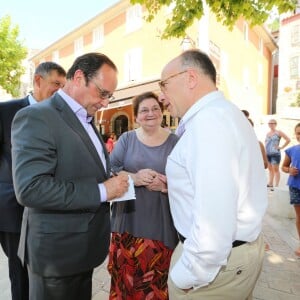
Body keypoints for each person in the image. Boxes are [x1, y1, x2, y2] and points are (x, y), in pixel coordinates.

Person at [11, 52, 130, 300]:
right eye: (103, 93)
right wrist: (103, 190)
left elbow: (83, 168)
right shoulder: (37, 116)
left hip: (83, 252)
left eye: (110, 95)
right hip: (57, 257)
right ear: (78, 77)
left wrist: (116, 180)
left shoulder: (86, 117)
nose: (106, 103)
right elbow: (31, 188)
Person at [158, 49, 268, 299]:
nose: (161, 95)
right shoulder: (223, 114)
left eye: (164, 84)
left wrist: (186, 276)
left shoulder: (209, 124)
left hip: (213, 271)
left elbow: (214, 227)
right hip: (232, 259)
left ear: (191, 78)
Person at [0, 61, 66, 300]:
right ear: (38, 81)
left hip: (51, 212)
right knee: (20, 274)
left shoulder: (61, 116)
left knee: (46, 275)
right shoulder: (5, 111)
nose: (60, 90)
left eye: (64, 85)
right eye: (56, 84)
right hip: (13, 212)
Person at [107, 91, 179, 299]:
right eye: (144, 110)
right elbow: (110, 171)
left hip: (161, 225)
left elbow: (190, 181)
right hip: (127, 222)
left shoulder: (175, 142)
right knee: (125, 282)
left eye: (155, 108)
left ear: (162, 112)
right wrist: (134, 177)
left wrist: (165, 185)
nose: (151, 113)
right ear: (136, 116)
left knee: (154, 285)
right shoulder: (127, 139)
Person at [281, 123, 300, 257]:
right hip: (295, 186)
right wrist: (289, 170)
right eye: (298, 133)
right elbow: (284, 167)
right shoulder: (292, 150)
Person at [265, 119, 290, 188]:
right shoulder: (268, 133)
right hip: (268, 153)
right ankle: (270, 183)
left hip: (275, 154)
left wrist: (281, 147)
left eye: (272, 123)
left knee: (276, 169)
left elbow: (288, 139)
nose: (270, 124)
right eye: (269, 123)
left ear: (275, 124)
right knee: (270, 169)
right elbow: (266, 143)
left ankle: (276, 185)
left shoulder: (278, 132)